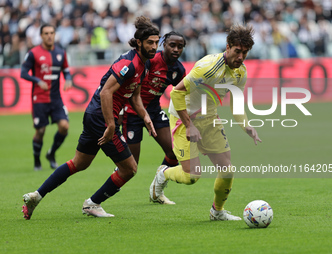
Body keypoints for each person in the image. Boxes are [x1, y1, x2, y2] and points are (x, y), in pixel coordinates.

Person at [21, 16, 160, 220]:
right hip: (102, 117)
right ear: (139, 42)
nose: (154, 47)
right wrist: (111, 124)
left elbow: (135, 95)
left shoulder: (145, 65)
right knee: (129, 169)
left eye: (157, 42)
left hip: (95, 115)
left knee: (79, 163)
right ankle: (92, 203)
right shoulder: (128, 63)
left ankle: (36, 195)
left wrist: (146, 117)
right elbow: (106, 92)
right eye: (150, 43)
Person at [149, 24, 262, 220]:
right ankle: (164, 174)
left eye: (245, 53)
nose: (241, 57)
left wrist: (246, 125)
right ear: (227, 47)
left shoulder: (240, 72)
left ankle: (217, 212)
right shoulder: (208, 67)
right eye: (237, 51)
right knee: (192, 176)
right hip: (183, 117)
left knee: (227, 170)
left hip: (209, 119)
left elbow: (235, 101)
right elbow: (176, 92)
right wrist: (189, 125)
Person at [121, 31, 186, 205]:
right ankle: (99, 197)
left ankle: (157, 191)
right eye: (172, 45)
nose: (176, 49)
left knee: (173, 152)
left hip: (154, 112)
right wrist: (120, 109)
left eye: (180, 47)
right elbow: (128, 84)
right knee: (130, 166)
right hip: (133, 112)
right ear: (163, 44)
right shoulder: (150, 61)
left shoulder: (178, 70)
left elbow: (182, 93)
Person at [21, 24, 73, 171]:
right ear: (41, 36)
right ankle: (37, 160)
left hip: (56, 98)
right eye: (46, 33)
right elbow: (23, 73)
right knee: (41, 131)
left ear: (55, 34)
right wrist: (38, 81)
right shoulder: (33, 53)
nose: (49, 36)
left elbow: (66, 70)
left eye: (52, 33)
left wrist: (68, 78)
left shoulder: (61, 53)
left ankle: (51, 153)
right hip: (40, 99)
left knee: (64, 127)